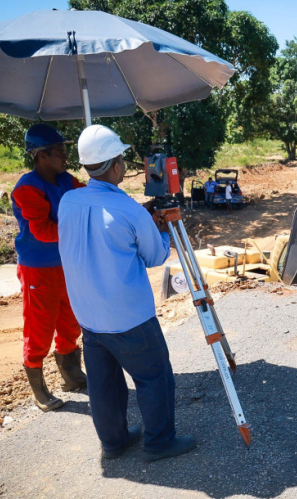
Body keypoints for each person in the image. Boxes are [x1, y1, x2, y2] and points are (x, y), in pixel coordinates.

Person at [58, 124, 196, 462]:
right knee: (154, 376)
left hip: (88, 315)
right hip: (128, 316)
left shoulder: (69, 201)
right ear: (116, 164)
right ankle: (160, 443)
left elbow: (100, 234)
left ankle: (115, 443)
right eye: (122, 159)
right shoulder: (130, 210)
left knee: (103, 385)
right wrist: (161, 229)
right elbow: (155, 256)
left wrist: (142, 219)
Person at [11, 124, 88, 413]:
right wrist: (80, 226)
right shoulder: (27, 188)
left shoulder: (66, 181)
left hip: (66, 263)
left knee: (70, 319)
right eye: (59, 153)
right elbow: (42, 231)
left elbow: (88, 200)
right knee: (39, 327)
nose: (65, 158)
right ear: (41, 156)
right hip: (38, 268)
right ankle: (39, 387)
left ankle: (71, 374)